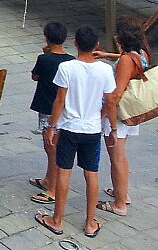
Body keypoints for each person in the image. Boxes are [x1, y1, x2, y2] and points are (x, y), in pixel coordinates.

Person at [35, 26, 117, 239]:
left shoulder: (67, 67)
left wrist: (51, 127)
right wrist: (112, 127)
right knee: (91, 174)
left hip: (69, 127)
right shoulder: (106, 70)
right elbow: (110, 102)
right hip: (93, 129)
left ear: (75, 43)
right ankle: (90, 223)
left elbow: (60, 100)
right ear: (96, 45)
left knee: (64, 172)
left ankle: (57, 220)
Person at [94, 20, 153, 217]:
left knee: (116, 157)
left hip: (118, 115)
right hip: (130, 111)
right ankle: (122, 192)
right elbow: (126, 59)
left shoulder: (127, 60)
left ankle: (119, 204)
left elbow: (116, 94)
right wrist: (107, 56)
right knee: (120, 156)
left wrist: (102, 116)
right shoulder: (141, 54)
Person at [29, 21, 75, 205]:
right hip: (64, 108)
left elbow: (35, 76)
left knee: (51, 147)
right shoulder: (71, 60)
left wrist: (45, 53)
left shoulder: (43, 59)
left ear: (46, 38)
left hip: (48, 107)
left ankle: (53, 188)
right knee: (52, 146)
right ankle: (48, 179)